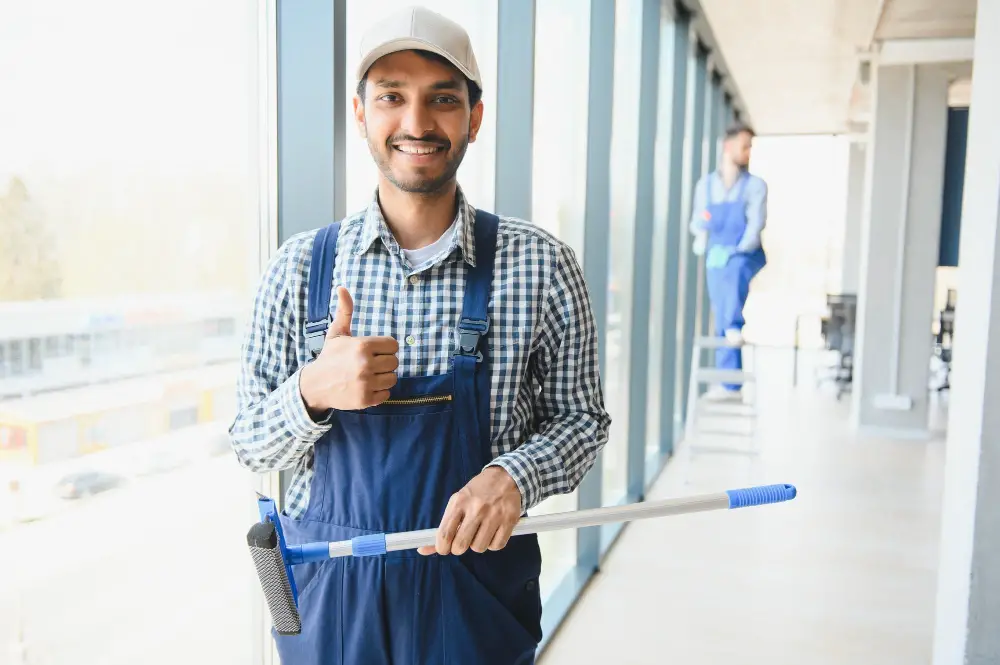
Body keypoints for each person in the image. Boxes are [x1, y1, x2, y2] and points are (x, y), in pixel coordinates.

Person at [228, 6, 610, 664]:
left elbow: (581, 419)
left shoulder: (543, 265)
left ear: (475, 116)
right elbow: (247, 439)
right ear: (360, 113)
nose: (415, 123)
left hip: (476, 605)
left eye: (441, 99)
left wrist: (513, 476)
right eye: (391, 98)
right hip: (330, 605)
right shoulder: (297, 271)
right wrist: (312, 390)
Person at [689, 123, 768, 399]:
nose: (748, 152)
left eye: (750, 147)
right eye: (744, 145)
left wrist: (735, 251)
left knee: (732, 283)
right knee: (722, 309)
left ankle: (735, 331)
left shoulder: (755, 186)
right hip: (716, 255)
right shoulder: (706, 186)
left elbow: (755, 226)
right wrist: (702, 236)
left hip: (745, 255)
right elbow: (699, 220)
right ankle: (729, 383)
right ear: (728, 146)